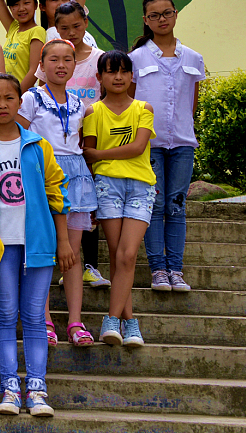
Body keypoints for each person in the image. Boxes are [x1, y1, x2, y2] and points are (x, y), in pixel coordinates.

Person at [0, 73, 73, 418]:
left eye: (9, 98)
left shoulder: (38, 146)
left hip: (38, 243)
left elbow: (58, 195)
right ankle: (10, 387)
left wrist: (66, 241)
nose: (2, 104)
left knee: (34, 317)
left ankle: (37, 388)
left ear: (19, 101)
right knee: (5, 315)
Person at [18, 40, 94, 347]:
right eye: (53, 60)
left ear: (75, 65)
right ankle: (43, 318)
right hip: (42, 178)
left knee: (73, 254)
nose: (60, 65)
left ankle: (75, 321)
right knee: (45, 252)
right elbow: (18, 136)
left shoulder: (79, 102)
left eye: (67, 59)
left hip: (76, 178)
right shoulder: (30, 98)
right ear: (42, 64)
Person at [130, 0, 203, 293]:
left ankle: (176, 269)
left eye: (167, 13)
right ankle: (158, 269)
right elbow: (130, 101)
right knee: (155, 205)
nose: (162, 19)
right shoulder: (136, 58)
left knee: (177, 205)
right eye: (154, 15)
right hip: (151, 144)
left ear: (175, 14)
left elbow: (192, 103)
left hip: (183, 143)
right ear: (146, 20)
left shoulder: (193, 58)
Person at [83, 51, 156, 348]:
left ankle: (113, 320)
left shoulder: (143, 108)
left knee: (127, 255)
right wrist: (97, 160)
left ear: (131, 76)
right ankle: (131, 324)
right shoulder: (92, 112)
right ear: (99, 77)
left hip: (140, 186)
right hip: (106, 185)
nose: (118, 77)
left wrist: (101, 155)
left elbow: (138, 147)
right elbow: (87, 155)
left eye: (124, 71)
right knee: (116, 254)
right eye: (111, 72)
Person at [36, 1, 109, 290]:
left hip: (87, 140)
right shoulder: (52, 61)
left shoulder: (98, 58)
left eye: (76, 26)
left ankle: (88, 264)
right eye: (64, 27)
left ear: (86, 25)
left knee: (86, 204)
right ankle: (59, 262)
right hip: (53, 148)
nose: (72, 32)